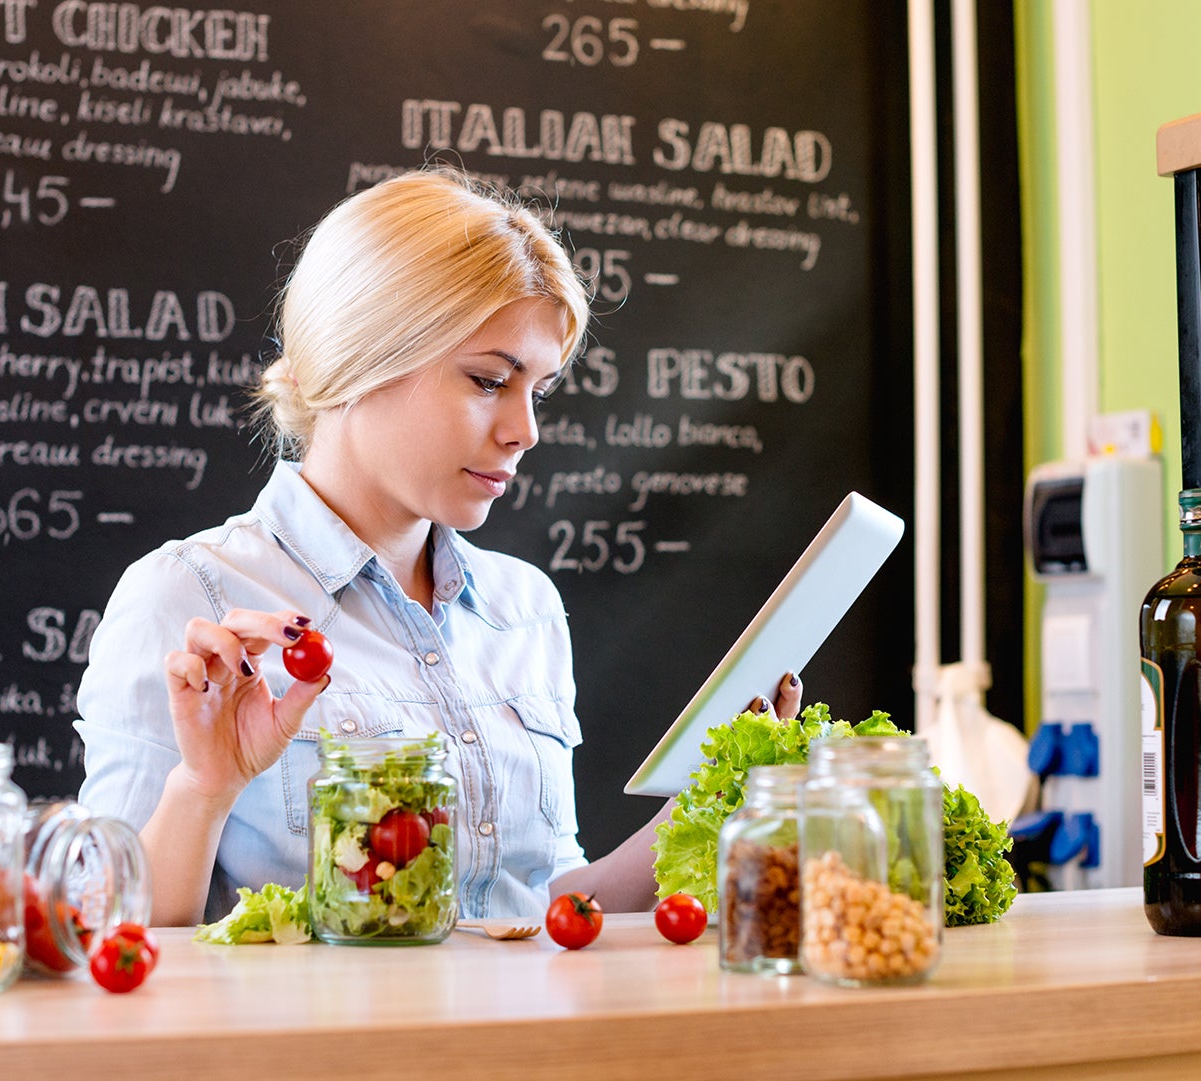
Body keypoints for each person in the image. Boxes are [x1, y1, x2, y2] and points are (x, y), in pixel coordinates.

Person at [75, 169, 799, 925]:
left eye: (538, 391)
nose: (526, 431)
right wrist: (204, 790)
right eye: (489, 381)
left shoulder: (525, 608)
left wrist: (714, 798)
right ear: (362, 356)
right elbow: (112, 939)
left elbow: (538, 912)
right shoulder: (193, 598)